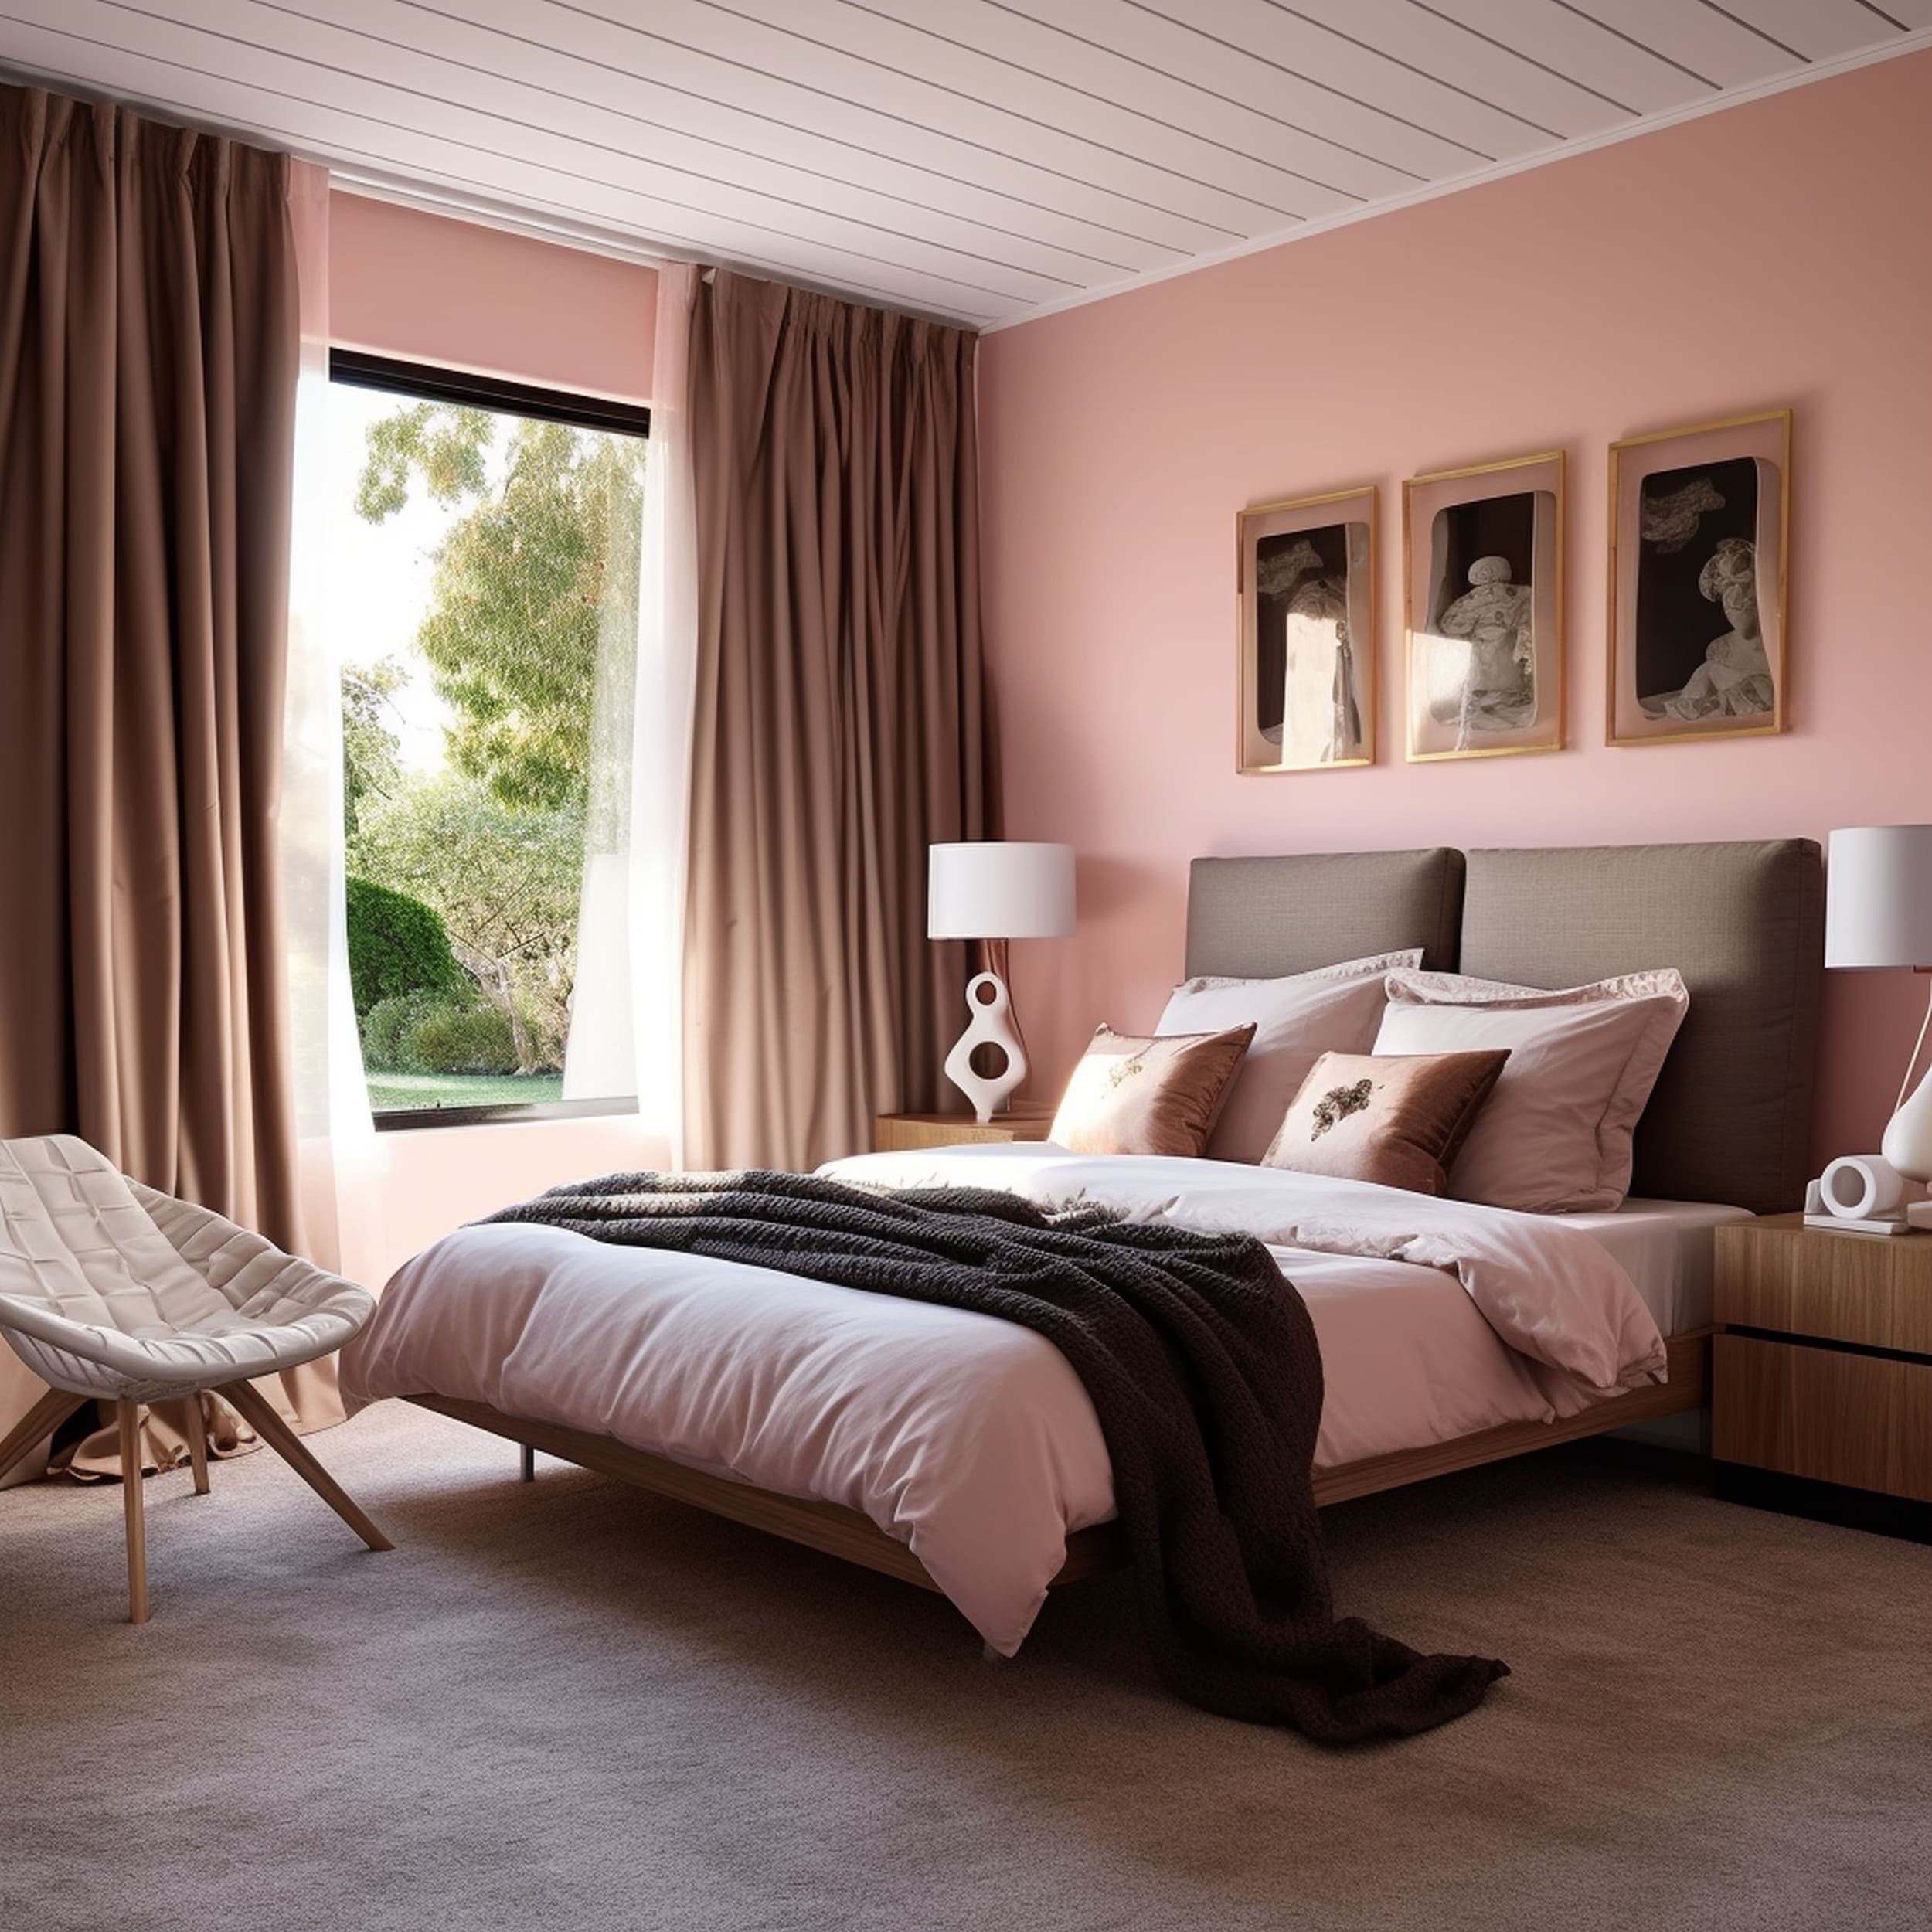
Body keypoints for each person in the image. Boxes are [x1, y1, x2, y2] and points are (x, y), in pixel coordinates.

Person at [1648, 537, 1773, 720]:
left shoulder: (1777, 648)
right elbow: (1693, 698)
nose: (1737, 603)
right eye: (1729, 589)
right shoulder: (1720, 650)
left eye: (1747, 591)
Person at [1431, 554, 1536, 738]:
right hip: (1512, 652)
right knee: (1513, 688)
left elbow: (1449, 625)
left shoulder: (1474, 599)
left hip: (1485, 656)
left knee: (1483, 689)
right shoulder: (1524, 594)